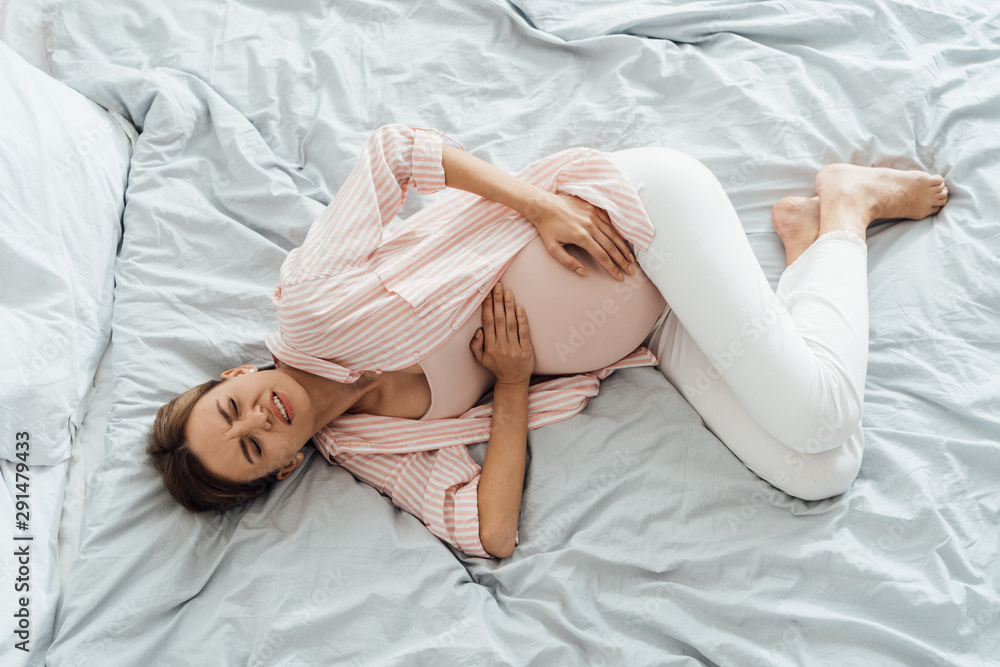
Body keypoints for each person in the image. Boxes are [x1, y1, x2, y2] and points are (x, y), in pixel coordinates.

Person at [147, 125, 949, 559]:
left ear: (231, 375)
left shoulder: (311, 309)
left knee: (818, 417)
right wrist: (511, 385)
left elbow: (393, 153)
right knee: (822, 470)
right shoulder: (372, 448)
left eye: (231, 407)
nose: (260, 415)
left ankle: (846, 205)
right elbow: (491, 533)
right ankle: (809, 246)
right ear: (285, 465)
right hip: (658, 326)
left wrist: (536, 205)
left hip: (641, 215)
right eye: (251, 447)